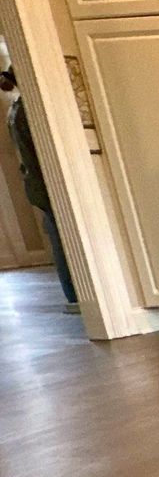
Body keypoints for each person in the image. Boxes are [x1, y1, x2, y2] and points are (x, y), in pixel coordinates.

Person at [0, 65, 78, 310]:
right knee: (65, 241)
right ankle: (77, 297)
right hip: (47, 183)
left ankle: (75, 296)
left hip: (36, 184)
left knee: (59, 238)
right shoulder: (27, 111)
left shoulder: (16, 109)